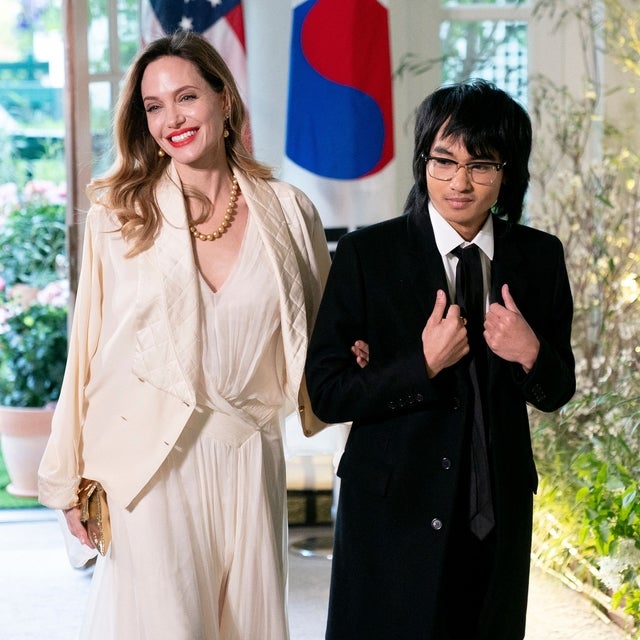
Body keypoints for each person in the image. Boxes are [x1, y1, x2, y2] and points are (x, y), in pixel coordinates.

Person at [38, 30, 330, 640]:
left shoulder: (290, 211)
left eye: (187, 97)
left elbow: (327, 338)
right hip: (152, 462)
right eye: (154, 106)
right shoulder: (120, 216)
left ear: (225, 99)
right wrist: (67, 480)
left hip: (251, 455)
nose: (171, 118)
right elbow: (83, 352)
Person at [304, 79, 576, 639]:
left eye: (481, 165)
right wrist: (420, 364)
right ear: (423, 161)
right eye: (444, 161)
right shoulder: (367, 255)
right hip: (393, 512)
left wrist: (530, 353)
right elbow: (327, 394)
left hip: (496, 513)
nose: (459, 182)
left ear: (507, 172)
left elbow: (557, 390)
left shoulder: (540, 257)